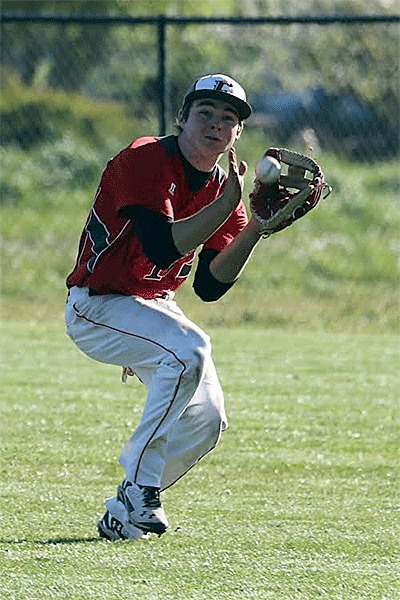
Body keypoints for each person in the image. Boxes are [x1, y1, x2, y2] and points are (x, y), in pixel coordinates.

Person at [65, 73, 262, 541]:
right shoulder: (145, 158)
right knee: (191, 348)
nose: (216, 124)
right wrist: (228, 203)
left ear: (237, 135)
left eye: (228, 119)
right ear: (182, 119)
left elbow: (210, 286)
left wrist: (255, 227)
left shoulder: (224, 190)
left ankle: (126, 509)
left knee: (208, 418)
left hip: (154, 306)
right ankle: (142, 485)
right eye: (205, 113)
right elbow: (160, 248)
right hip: (99, 305)